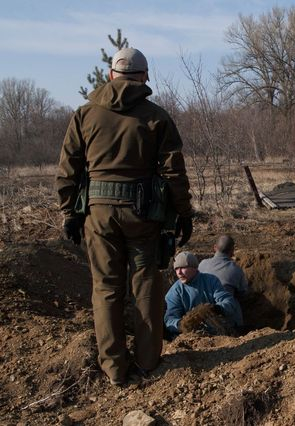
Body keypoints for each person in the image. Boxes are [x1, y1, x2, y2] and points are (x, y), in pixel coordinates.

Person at [56, 47, 194, 386]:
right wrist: (184, 214)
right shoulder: (156, 116)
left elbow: (67, 170)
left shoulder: (84, 115)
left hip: (98, 216)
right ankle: (148, 361)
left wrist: (69, 213)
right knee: (146, 283)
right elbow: (174, 173)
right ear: (145, 77)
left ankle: (115, 368)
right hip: (143, 214)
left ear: (110, 75)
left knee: (106, 288)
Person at [164, 251, 243, 339]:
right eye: (176, 269)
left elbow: (228, 302)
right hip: (194, 336)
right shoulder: (175, 291)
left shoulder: (211, 280)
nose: (179, 273)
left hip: (219, 332)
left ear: (194, 268)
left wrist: (217, 308)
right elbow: (169, 319)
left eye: (183, 268)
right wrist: (181, 324)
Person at [198, 235, 249, 299]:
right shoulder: (236, 270)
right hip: (223, 307)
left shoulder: (202, 264)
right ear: (232, 251)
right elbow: (244, 293)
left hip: (201, 306)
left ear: (215, 247)